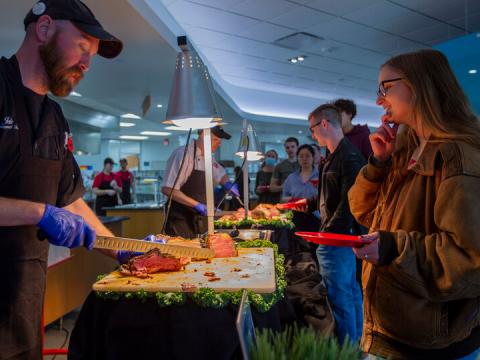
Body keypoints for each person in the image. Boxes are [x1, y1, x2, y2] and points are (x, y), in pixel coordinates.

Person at [0, 0, 122, 358]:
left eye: (92, 55)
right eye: (83, 47)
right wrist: (39, 213)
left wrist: (122, 249)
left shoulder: (55, 117)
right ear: (43, 28)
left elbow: (69, 200)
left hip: (23, 302)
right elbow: (49, 210)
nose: (86, 64)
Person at [348, 49, 480, 360]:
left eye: (385, 88)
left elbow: (470, 260)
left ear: (419, 85)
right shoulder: (406, 150)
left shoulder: (457, 157)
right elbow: (363, 211)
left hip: (434, 346)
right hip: (397, 332)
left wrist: (394, 248)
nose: (379, 100)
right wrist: (378, 163)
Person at [308, 104, 365, 344]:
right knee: (350, 294)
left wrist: (326, 236)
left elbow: (349, 202)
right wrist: (309, 203)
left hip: (337, 240)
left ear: (323, 124)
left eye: (312, 129)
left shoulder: (349, 155)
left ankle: (347, 351)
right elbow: (331, 198)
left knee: (340, 298)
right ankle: (358, 344)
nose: (312, 135)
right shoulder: (334, 155)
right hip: (338, 239)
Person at [161, 126, 237, 238]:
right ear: (203, 136)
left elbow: (220, 173)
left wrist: (227, 184)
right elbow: (168, 189)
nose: (218, 144)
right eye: (215, 140)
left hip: (199, 221)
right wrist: (197, 205)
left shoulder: (208, 158)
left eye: (219, 141)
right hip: (180, 221)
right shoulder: (183, 154)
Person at [282, 144, 319, 232]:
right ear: (297, 158)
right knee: (296, 243)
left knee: (313, 244)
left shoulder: (320, 175)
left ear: (313, 157)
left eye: (307, 156)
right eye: (301, 156)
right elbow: (283, 197)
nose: (304, 159)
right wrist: (293, 200)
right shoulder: (291, 177)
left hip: (315, 215)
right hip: (295, 215)